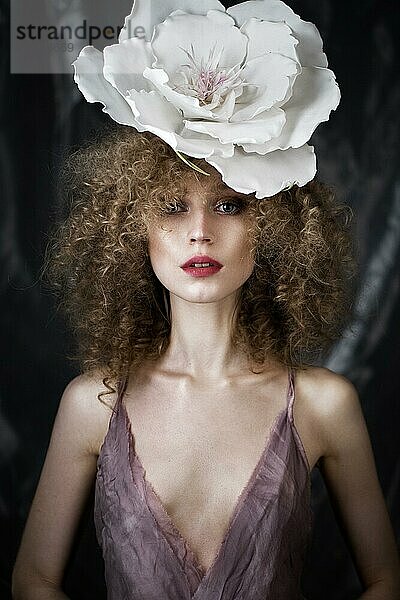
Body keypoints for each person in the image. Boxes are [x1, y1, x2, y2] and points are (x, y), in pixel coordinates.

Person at [12, 0, 400, 598]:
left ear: (273, 225)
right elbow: (32, 580)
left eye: (228, 205)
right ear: (131, 229)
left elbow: (385, 580)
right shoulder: (93, 404)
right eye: (171, 206)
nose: (200, 232)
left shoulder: (325, 406)